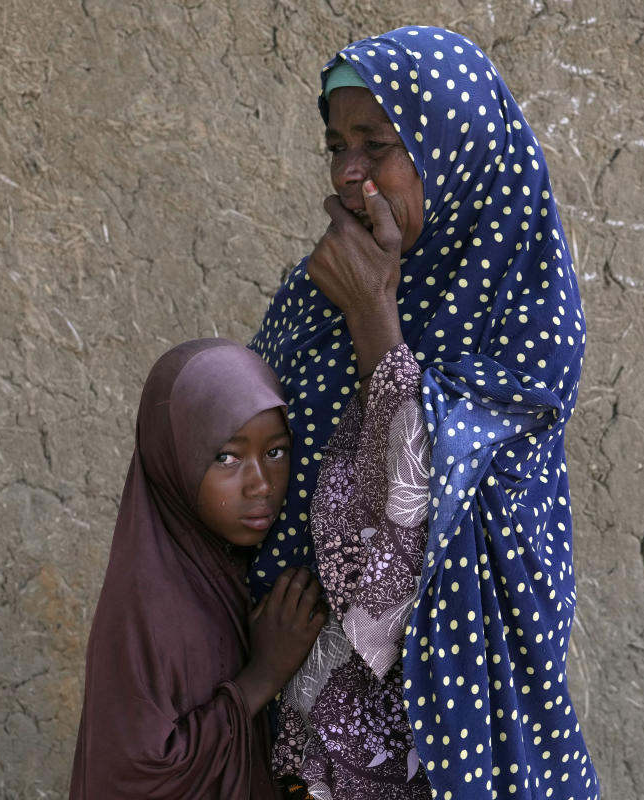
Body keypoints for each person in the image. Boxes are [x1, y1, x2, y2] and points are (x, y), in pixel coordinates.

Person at [250, 26, 601, 800]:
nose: (348, 173)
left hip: (443, 745)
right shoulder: (319, 294)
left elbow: (419, 538)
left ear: (451, 150)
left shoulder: (521, 310)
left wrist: (374, 314)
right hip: (297, 734)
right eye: (336, 144)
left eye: (375, 146)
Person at [68, 338, 328, 799]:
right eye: (226, 457)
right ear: (173, 461)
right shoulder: (146, 605)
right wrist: (262, 676)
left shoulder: (238, 568)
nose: (261, 485)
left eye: (276, 452)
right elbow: (132, 778)